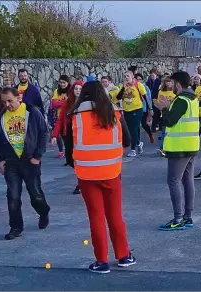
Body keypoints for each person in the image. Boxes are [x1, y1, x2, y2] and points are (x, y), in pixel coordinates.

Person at [67, 81, 135, 273]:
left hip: (86, 174)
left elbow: (70, 147)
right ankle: (123, 255)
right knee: (115, 216)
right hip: (112, 172)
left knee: (95, 217)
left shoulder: (76, 116)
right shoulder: (114, 113)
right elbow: (128, 141)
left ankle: (101, 261)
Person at [0, 87, 50, 240]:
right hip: (12, 162)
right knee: (13, 196)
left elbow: (44, 132)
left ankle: (43, 212)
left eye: (10, 101)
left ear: (18, 98)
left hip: (29, 159)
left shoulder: (32, 112)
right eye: (4, 102)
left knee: (35, 194)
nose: (7, 104)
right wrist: (1, 160)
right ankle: (16, 227)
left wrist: (38, 156)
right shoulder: (2, 116)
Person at [154, 71, 200, 231]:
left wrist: (164, 109)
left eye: (172, 83)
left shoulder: (181, 100)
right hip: (191, 145)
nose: (170, 86)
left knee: (173, 181)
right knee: (188, 181)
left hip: (179, 147)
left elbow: (170, 121)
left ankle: (178, 218)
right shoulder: (193, 98)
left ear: (178, 84)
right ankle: (187, 216)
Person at [51, 80, 84, 194]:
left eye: (80, 89)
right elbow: (60, 120)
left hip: (81, 133)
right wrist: (54, 135)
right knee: (70, 159)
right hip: (68, 133)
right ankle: (83, 177)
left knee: (79, 159)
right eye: (76, 89)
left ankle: (81, 182)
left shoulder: (85, 103)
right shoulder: (68, 103)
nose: (78, 91)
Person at [115, 71, 148, 157]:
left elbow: (145, 96)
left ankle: (133, 149)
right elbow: (118, 97)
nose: (126, 78)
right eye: (125, 76)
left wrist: (150, 109)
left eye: (128, 76)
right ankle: (138, 143)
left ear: (132, 77)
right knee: (132, 129)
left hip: (137, 109)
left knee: (133, 129)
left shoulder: (138, 85)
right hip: (126, 110)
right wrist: (123, 87)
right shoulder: (123, 86)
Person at [49, 75, 71, 158]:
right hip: (59, 116)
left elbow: (71, 103)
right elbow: (54, 103)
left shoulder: (71, 91)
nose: (62, 84)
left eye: (64, 82)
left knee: (67, 136)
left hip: (69, 117)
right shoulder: (57, 91)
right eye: (60, 82)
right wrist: (65, 103)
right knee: (58, 135)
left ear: (67, 83)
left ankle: (69, 152)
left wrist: (60, 103)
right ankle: (61, 150)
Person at [156, 76, 176, 156]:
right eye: (167, 82)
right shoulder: (161, 92)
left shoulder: (175, 92)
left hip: (173, 112)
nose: (168, 84)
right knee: (164, 132)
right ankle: (163, 148)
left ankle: (171, 148)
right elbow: (159, 102)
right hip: (164, 113)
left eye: (170, 82)